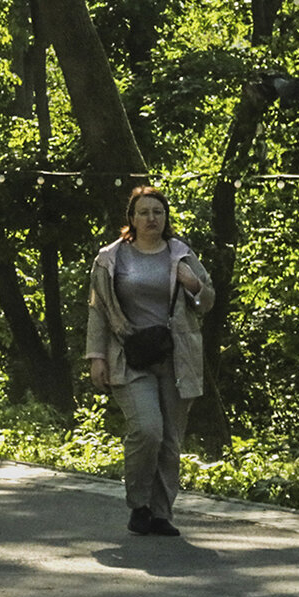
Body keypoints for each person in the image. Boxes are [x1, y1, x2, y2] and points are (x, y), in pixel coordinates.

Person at [86, 186, 215, 537]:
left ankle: (161, 514)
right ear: (131, 218)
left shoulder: (180, 254)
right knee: (147, 429)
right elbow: (98, 310)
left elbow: (208, 301)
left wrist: (194, 286)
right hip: (129, 355)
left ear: (166, 217)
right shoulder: (111, 258)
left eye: (157, 212)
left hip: (176, 357)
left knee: (171, 438)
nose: (151, 219)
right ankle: (138, 505)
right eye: (143, 212)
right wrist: (96, 356)